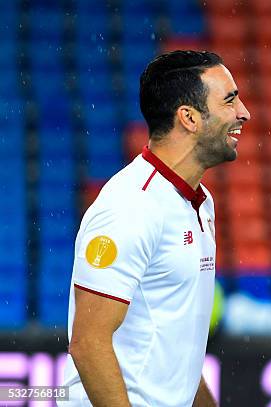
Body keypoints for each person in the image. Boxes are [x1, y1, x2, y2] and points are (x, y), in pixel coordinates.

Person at [60, 50, 250, 406]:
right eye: (230, 100)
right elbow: (88, 345)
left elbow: (176, 350)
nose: (244, 112)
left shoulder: (199, 201)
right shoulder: (130, 207)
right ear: (189, 118)